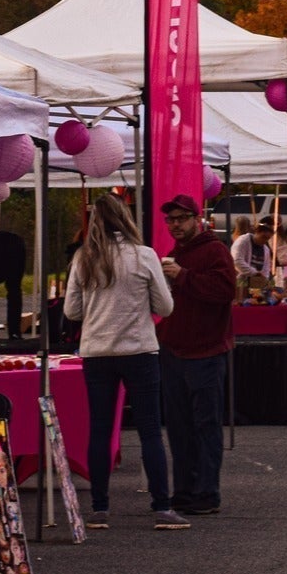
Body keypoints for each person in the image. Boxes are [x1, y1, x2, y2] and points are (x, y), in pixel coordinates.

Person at [62, 194, 185, 530]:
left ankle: (100, 508)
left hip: (97, 352)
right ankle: (162, 507)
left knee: (100, 431)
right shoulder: (144, 256)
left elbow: (71, 311)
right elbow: (165, 307)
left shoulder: (84, 258)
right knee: (150, 431)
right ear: (126, 218)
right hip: (139, 350)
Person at [157, 194, 237, 517]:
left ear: (196, 218)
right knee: (179, 427)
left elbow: (225, 291)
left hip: (205, 352)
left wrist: (182, 276)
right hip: (174, 351)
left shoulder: (215, 250)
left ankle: (206, 492)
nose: (175, 225)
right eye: (170, 220)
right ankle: (184, 490)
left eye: (181, 219)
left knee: (205, 425)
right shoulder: (175, 253)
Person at [230, 215, 272, 280]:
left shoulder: (266, 249)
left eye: (268, 238)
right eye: (263, 237)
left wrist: (264, 278)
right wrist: (255, 273)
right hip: (239, 280)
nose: (265, 240)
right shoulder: (243, 241)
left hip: (256, 282)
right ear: (257, 232)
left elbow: (266, 268)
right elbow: (237, 261)